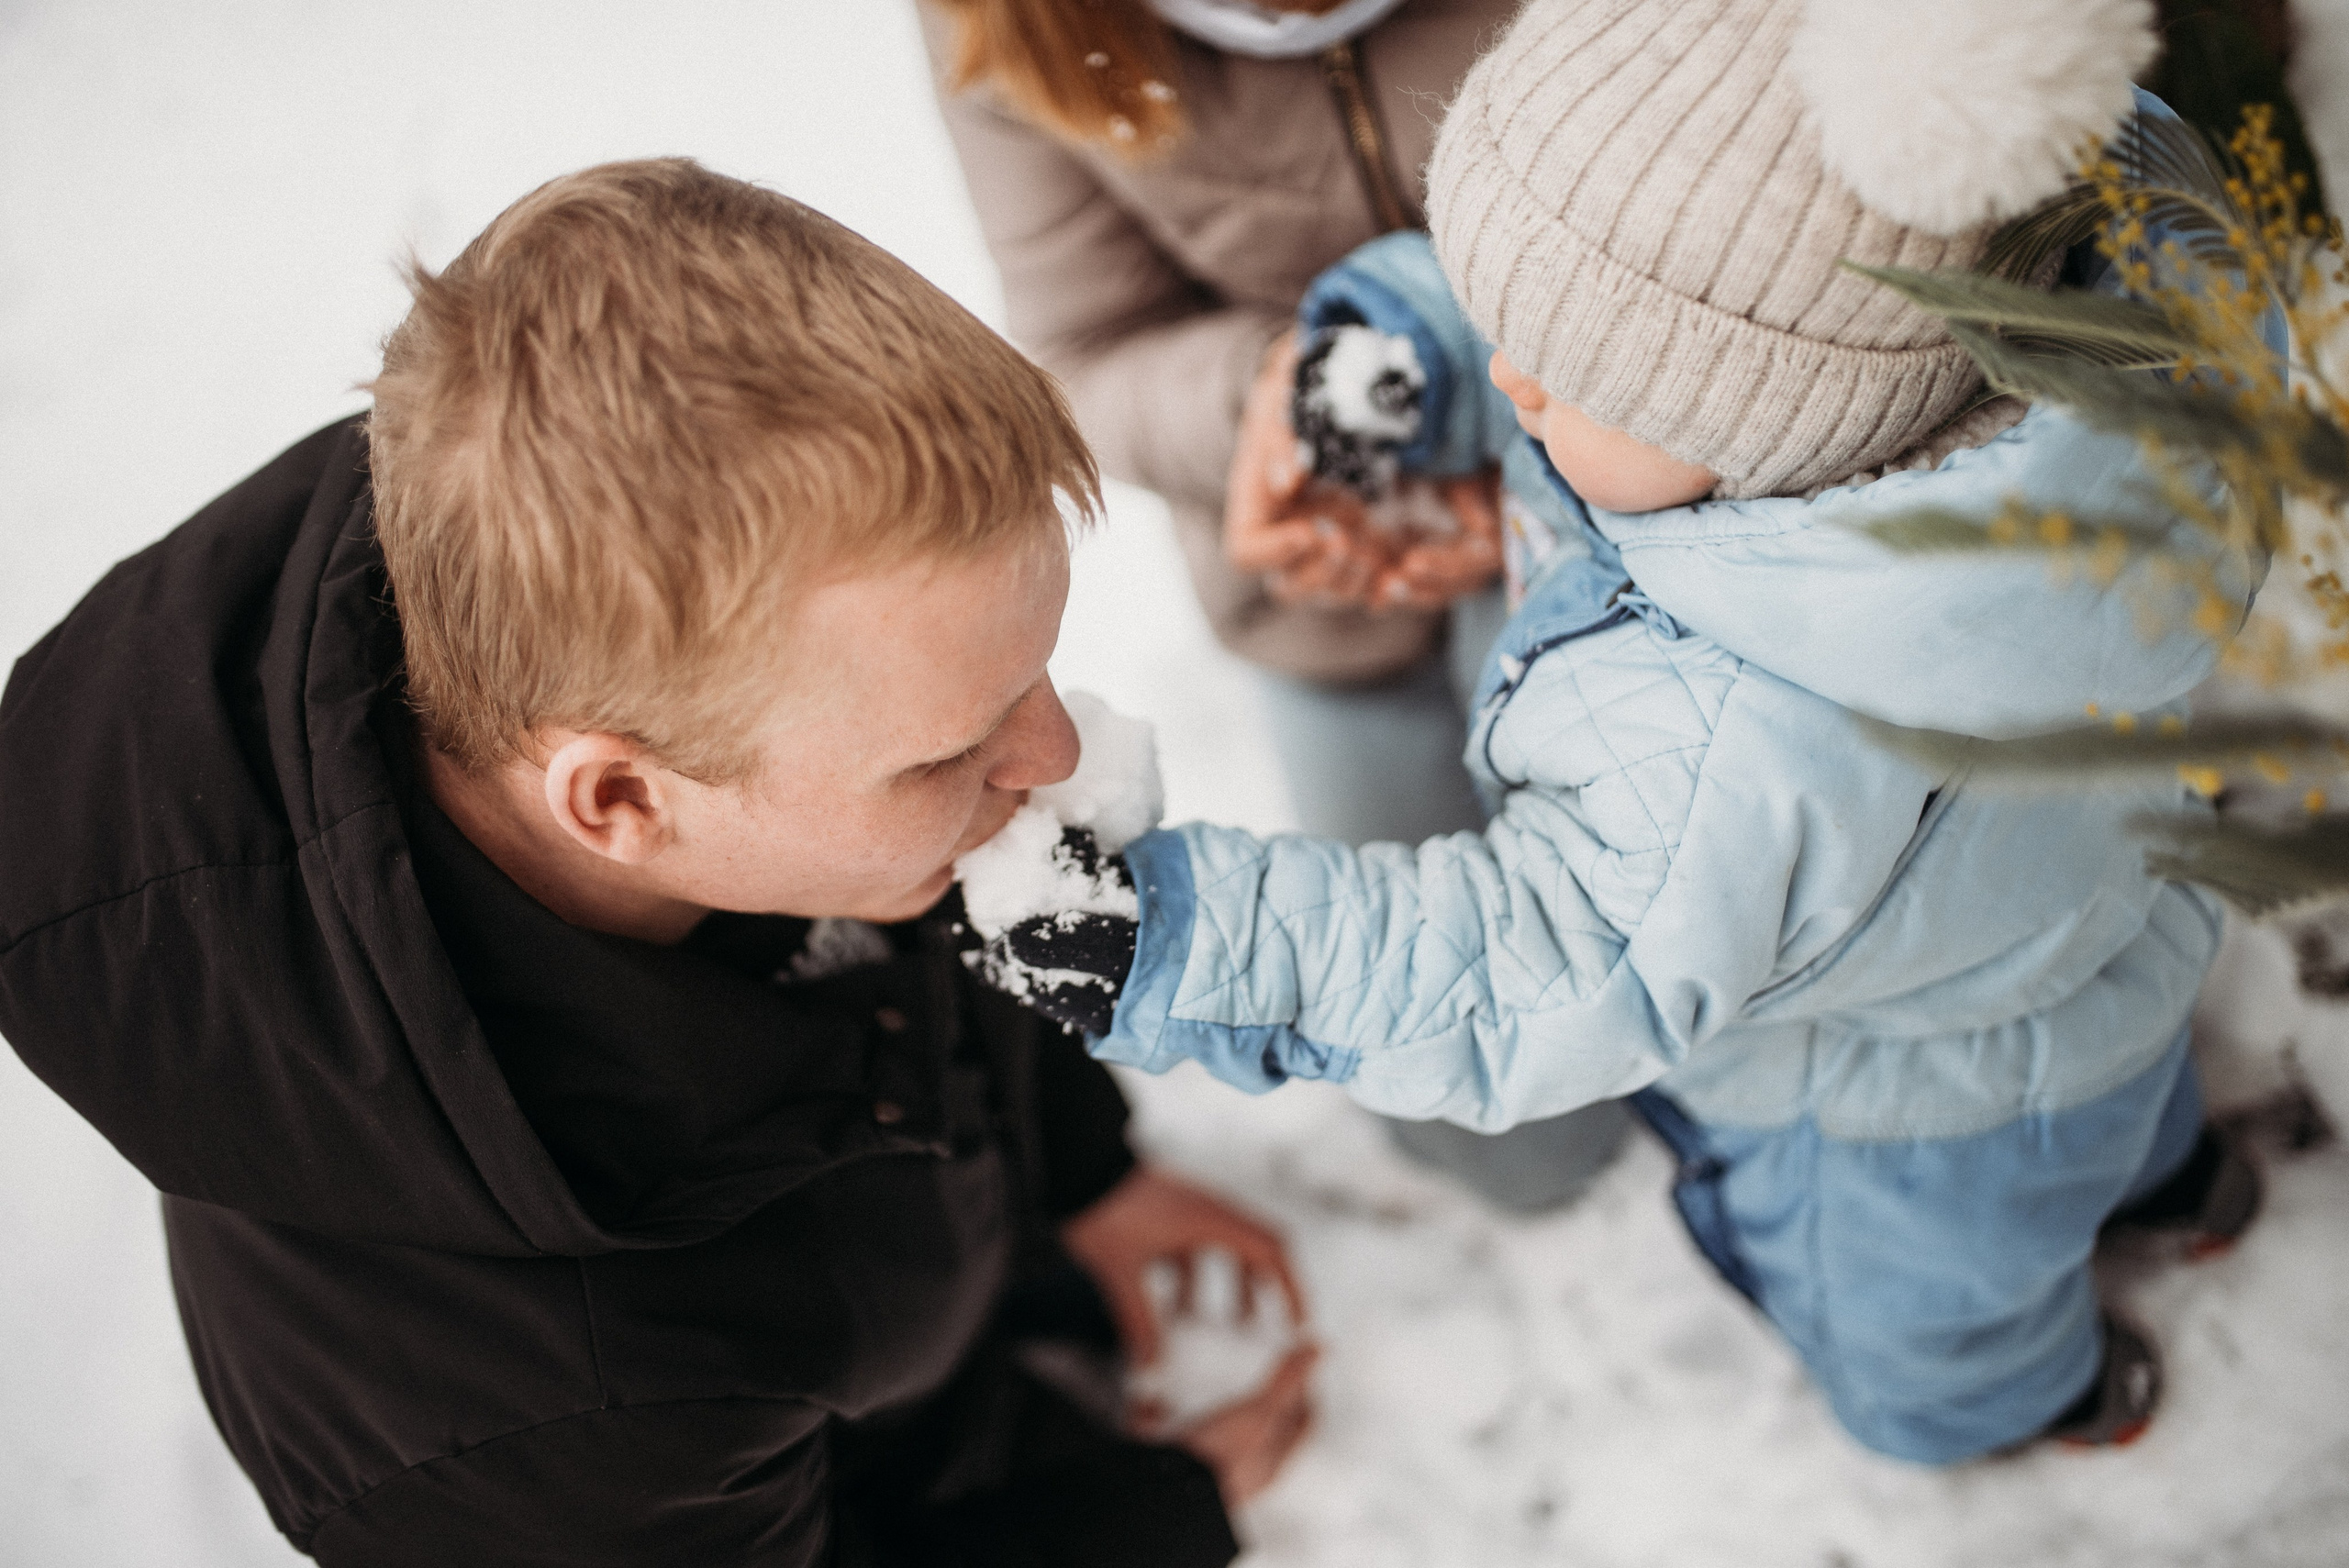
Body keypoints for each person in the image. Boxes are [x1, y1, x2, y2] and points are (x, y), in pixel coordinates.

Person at [961, 0, 2269, 1463]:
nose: (1511, 374)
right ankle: (2178, 1177)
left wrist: (1191, 939)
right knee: (2109, 1090)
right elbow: (1594, 299)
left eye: (1556, 368)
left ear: (1766, 417)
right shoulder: (1924, 394)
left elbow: (1524, 955)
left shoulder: (1744, 731)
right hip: (2087, 935)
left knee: (1930, 1306)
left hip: (1904, 1115)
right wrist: (1399, 347)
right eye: (1498, 316)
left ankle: (2019, 1399)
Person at [0, 160, 1316, 1565]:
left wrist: (1084, 1167)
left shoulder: (585, 582)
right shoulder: (536, 1417)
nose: (1051, 755)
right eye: (950, 750)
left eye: (1036, 673)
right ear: (621, 799)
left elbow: (911, 925)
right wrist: (1141, 1522)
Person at [921, 0, 1632, 1213]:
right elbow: (1087, 348)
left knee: (1679, 937)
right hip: (1319, 593)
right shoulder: (1002, 20)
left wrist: (1529, 463)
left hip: (1620, 504)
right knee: (1504, 1135)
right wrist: (1274, 407)